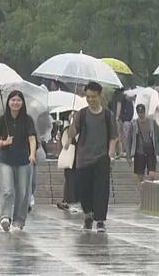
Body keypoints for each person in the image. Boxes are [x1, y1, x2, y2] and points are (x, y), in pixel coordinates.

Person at [68, 82, 117, 233]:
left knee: (101, 190)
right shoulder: (81, 114)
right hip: (83, 159)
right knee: (84, 190)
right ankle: (88, 215)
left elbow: (114, 137)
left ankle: (100, 220)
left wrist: (110, 154)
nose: (90, 100)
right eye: (88, 97)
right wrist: (71, 122)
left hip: (101, 157)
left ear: (100, 96)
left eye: (93, 97)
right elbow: (71, 136)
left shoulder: (108, 115)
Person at [0, 90, 37, 231]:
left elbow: (32, 138)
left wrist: (32, 154)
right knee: (7, 190)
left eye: (18, 100)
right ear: (8, 102)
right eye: (13, 100)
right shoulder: (1, 120)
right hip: (6, 159)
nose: (15, 103)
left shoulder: (27, 119)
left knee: (23, 192)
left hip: (23, 160)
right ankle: (5, 217)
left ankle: (19, 220)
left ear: (23, 103)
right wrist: (4, 142)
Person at [126, 103, 159, 187]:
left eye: (142, 112)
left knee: (152, 174)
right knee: (139, 175)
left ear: (145, 112)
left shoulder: (152, 123)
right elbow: (129, 140)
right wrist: (128, 156)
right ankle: (141, 193)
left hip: (150, 151)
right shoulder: (133, 124)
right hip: (139, 152)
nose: (141, 114)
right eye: (139, 112)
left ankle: (148, 187)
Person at [114, 89, 133, 158]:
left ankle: (120, 151)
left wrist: (117, 117)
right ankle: (125, 151)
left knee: (118, 135)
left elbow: (119, 106)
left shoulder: (118, 95)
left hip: (119, 118)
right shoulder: (125, 95)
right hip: (124, 118)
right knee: (123, 135)